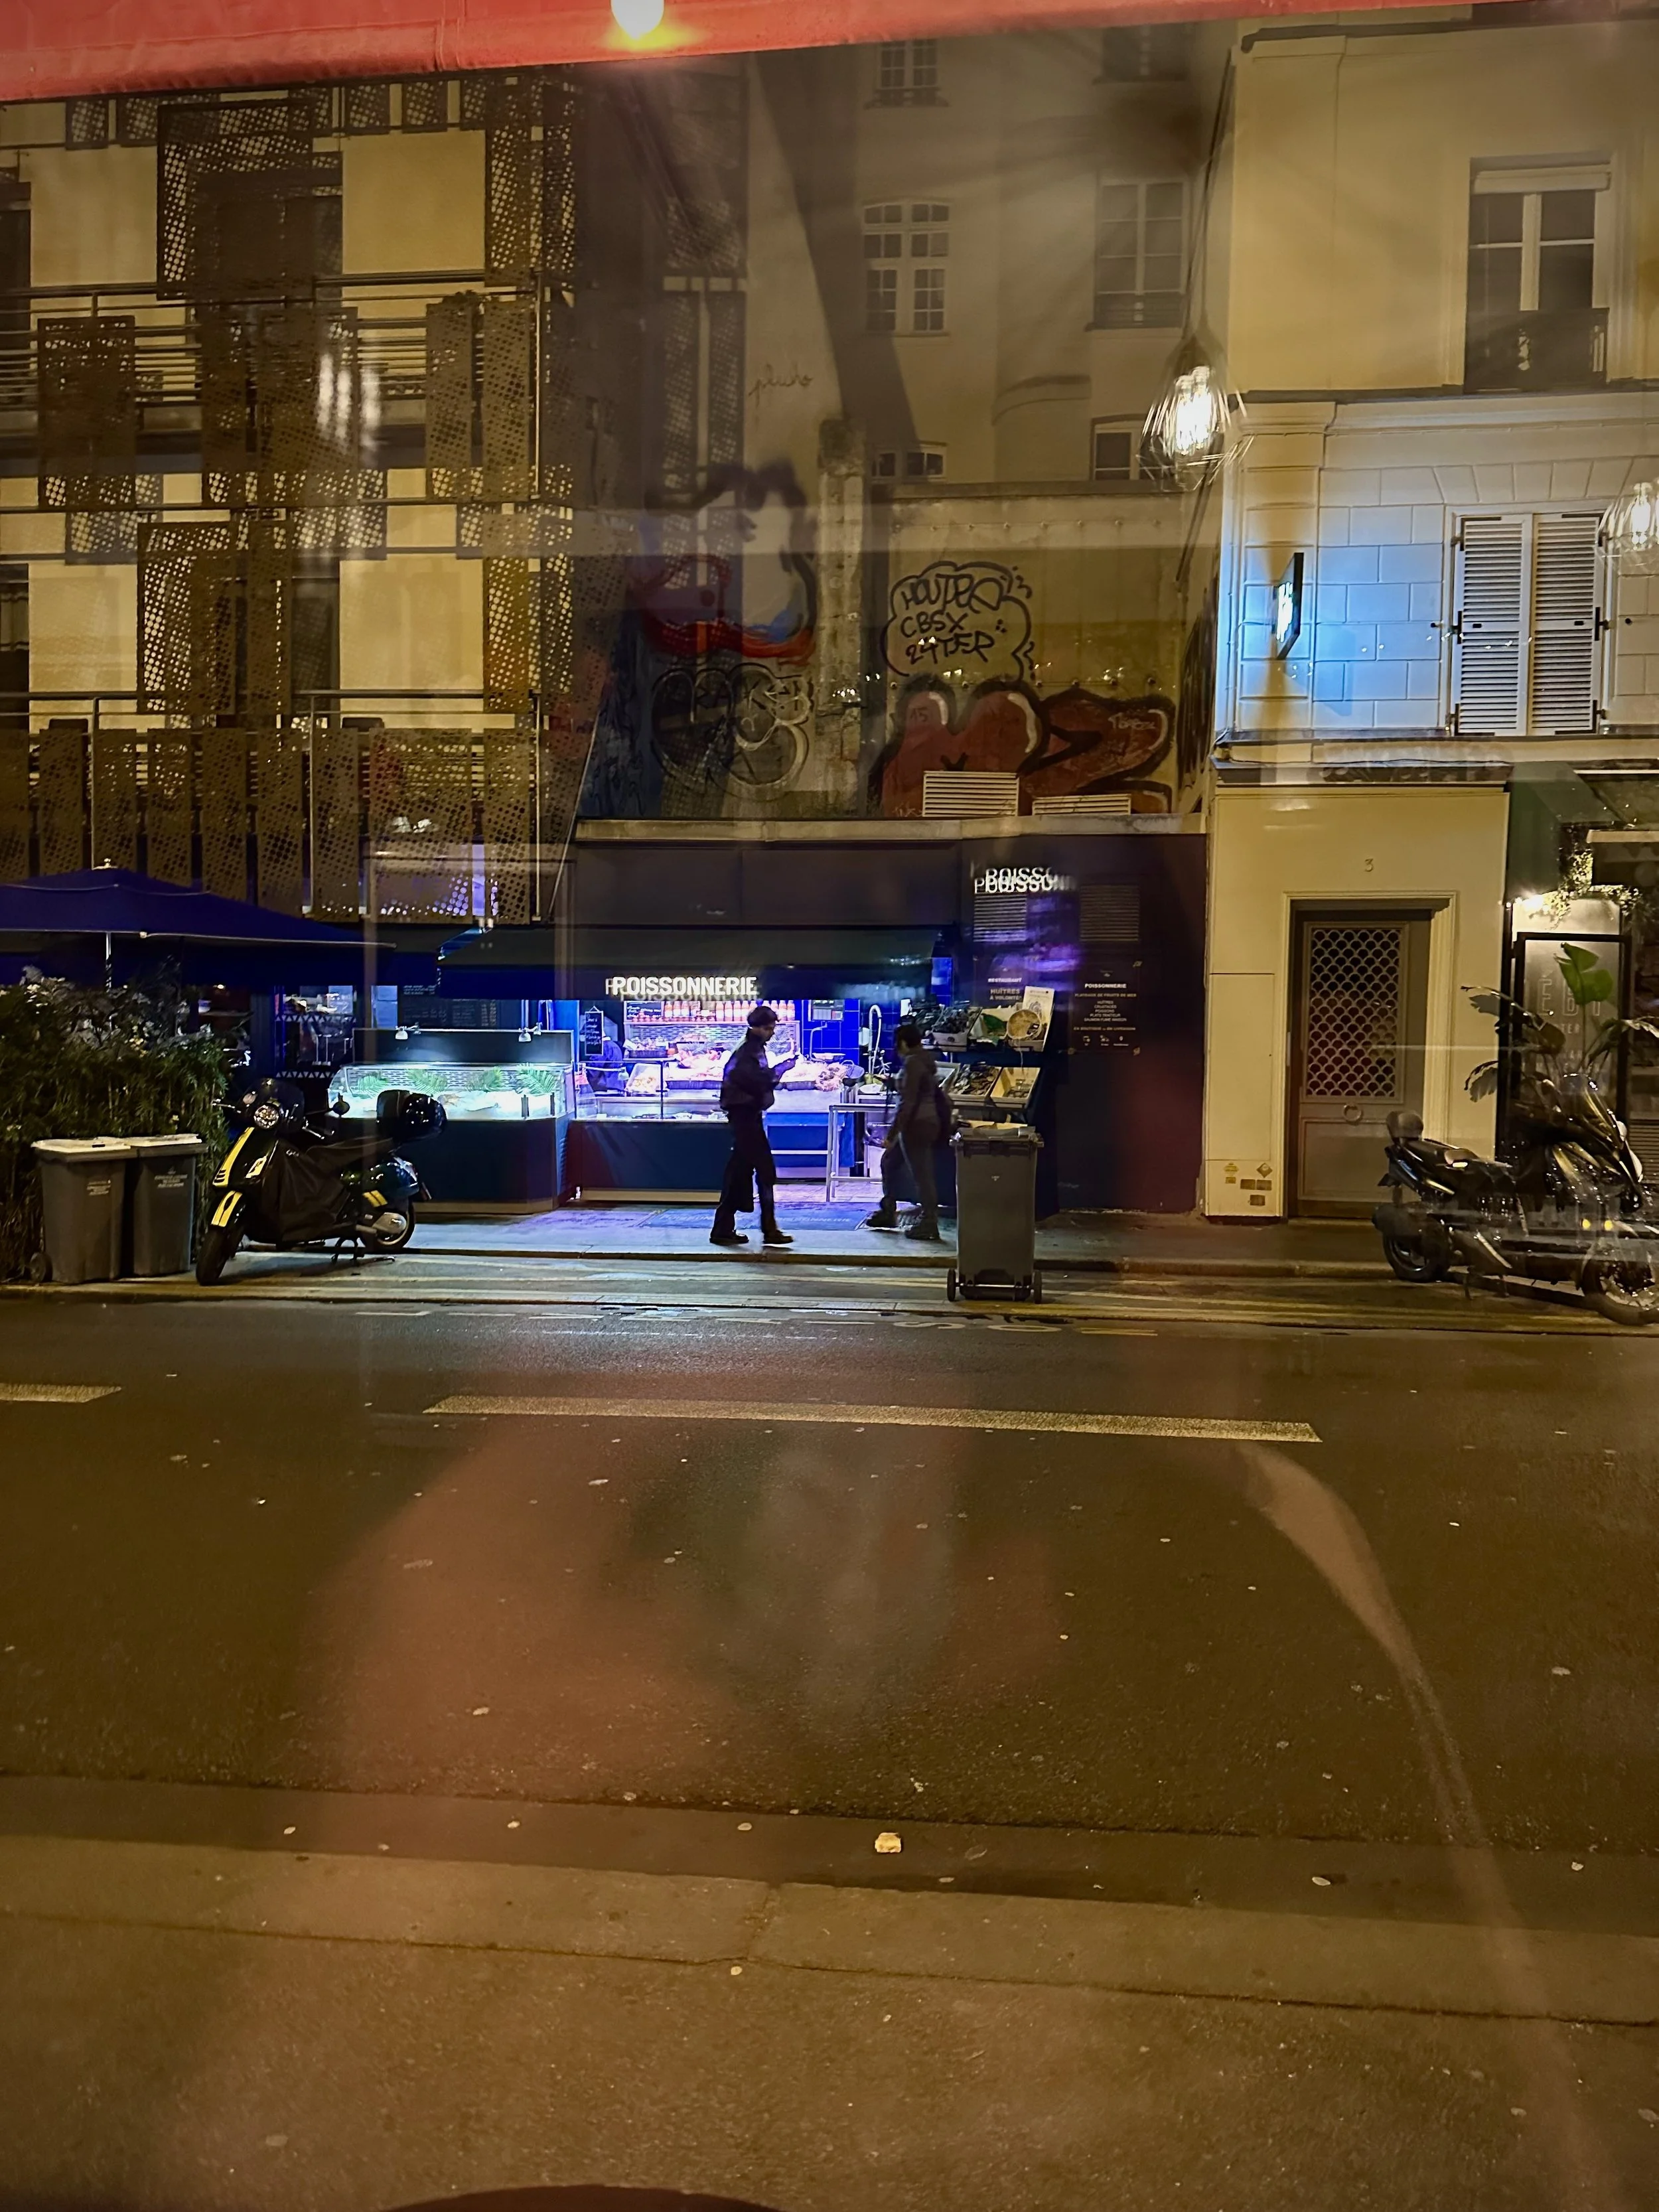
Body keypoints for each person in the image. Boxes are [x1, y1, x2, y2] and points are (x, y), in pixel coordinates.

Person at [710, 1004, 796, 1248]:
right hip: (745, 1118)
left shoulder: (751, 1048)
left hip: (746, 1117)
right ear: (758, 1028)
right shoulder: (748, 1051)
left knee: (739, 1173)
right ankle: (769, 1229)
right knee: (765, 1172)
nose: (772, 1033)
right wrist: (782, 1069)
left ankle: (724, 1228)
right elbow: (756, 1080)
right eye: (769, 1028)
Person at [865, 1021, 946, 1242]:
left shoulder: (912, 1063)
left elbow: (907, 1104)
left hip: (917, 1125)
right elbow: (915, 1089)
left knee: (922, 1175)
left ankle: (929, 1223)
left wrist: (891, 1135)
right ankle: (888, 1210)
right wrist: (893, 1082)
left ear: (901, 1043)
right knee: (889, 1162)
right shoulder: (922, 1060)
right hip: (922, 1122)